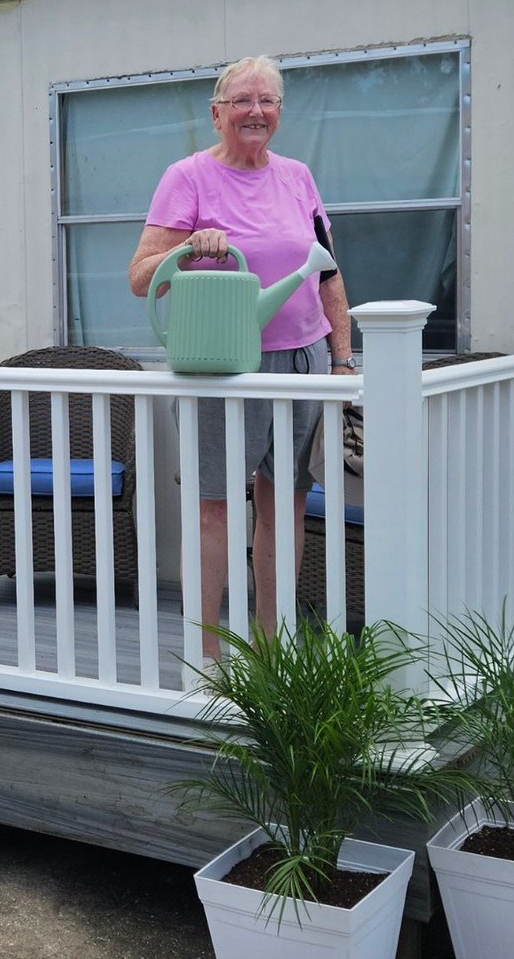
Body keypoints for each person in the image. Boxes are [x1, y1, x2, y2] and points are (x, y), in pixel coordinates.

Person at [128, 56, 356, 661]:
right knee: (214, 510)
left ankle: (268, 653)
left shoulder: (299, 177)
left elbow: (327, 270)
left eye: (269, 101)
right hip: (223, 368)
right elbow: (139, 276)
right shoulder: (188, 177)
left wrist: (341, 359)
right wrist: (190, 251)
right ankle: (208, 660)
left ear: (280, 112)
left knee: (284, 507)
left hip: (301, 364)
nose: (257, 111)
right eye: (243, 101)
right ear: (217, 113)